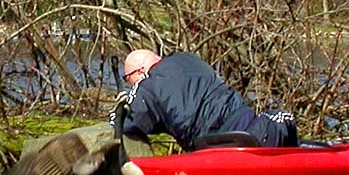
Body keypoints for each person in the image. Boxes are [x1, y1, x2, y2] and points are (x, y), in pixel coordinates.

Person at [116, 49, 298, 151]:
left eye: (128, 79)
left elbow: (125, 122)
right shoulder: (187, 59)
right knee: (283, 118)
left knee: (280, 118)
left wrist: (123, 105)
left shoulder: (146, 85)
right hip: (251, 131)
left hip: (217, 145)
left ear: (140, 71)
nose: (130, 85)